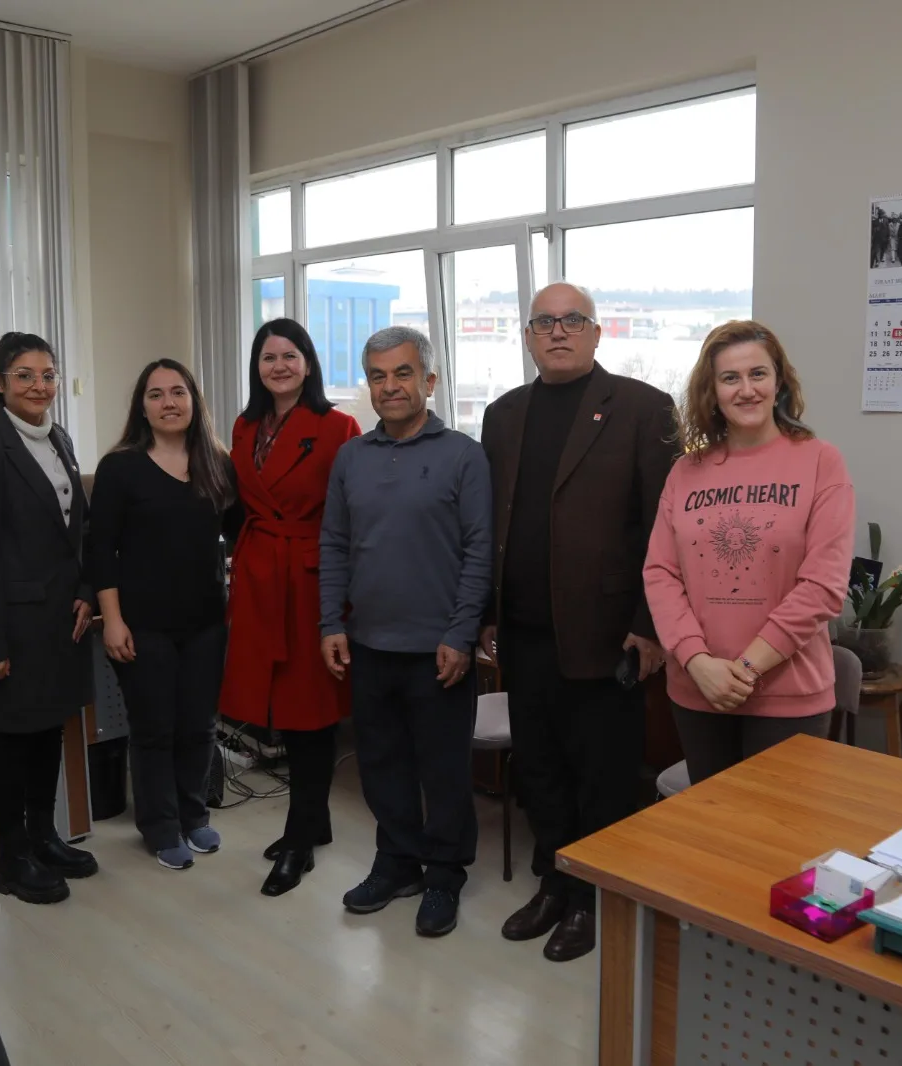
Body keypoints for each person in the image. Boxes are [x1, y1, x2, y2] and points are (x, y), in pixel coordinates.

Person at [479, 282, 677, 963]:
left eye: (572, 320)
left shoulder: (644, 409)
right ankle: (554, 883)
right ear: (528, 337)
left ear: (597, 333)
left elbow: (663, 528)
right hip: (525, 633)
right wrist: (487, 615)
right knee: (539, 770)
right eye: (544, 322)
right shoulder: (504, 415)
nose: (557, 331)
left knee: (604, 776)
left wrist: (649, 625)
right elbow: (494, 524)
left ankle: (595, 897)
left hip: (608, 636)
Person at [318, 326, 492, 938]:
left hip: (438, 648)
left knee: (443, 771)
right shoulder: (352, 457)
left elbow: (479, 551)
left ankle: (444, 873)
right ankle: (395, 862)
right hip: (368, 643)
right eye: (377, 376)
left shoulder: (464, 455)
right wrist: (330, 622)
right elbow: (334, 544)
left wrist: (461, 634)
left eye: (402, 373)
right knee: (381, 764)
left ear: (429, 380)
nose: (389, 386)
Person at [643, 320, 854, 785]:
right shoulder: (686, 472)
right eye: (730, 378)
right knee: (714, 826)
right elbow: (660, 573)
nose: (746, 389)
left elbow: (823, 585)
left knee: (781, 829)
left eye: (758, 374)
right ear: (712, 390)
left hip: (788, 697)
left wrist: (744, 670)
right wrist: (697, 662)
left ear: (779, 381)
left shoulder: (821, 461)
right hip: (699, 690)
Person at [220, 318, 361, 897]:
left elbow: (352, 516)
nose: (278, 366)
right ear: (256, 367)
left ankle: (300, 838)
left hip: (311, 580)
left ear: (308, 362)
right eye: (268, 357)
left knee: (310, 710)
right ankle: (315, 821)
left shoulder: (339, 426)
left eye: (289, 355)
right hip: (259, 575)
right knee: (275, 703)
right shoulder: (245, 425)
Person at [0, 331, 99, 905]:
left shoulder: (58, 438)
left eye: (47, 375)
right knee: (15, 738)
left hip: (63, 619)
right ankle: (12, 857)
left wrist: (87, 591)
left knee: (49, 729)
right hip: (17, 624)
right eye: (25, 376)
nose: (39, 386)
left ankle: (44, 836)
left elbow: (78, 529)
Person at [89, 360, 241, 871]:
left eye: (178, 392)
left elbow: (243, 535)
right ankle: (159, 826)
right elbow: (101, 550)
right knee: (154, 728)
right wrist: (112, 620)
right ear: (143, 406)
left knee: (199, 726)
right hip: (143, 623)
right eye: (156, 394)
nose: (168, 402)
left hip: (205, 623)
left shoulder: (217, 462)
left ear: (194, 401)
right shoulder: (120, 467)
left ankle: (193, 816)